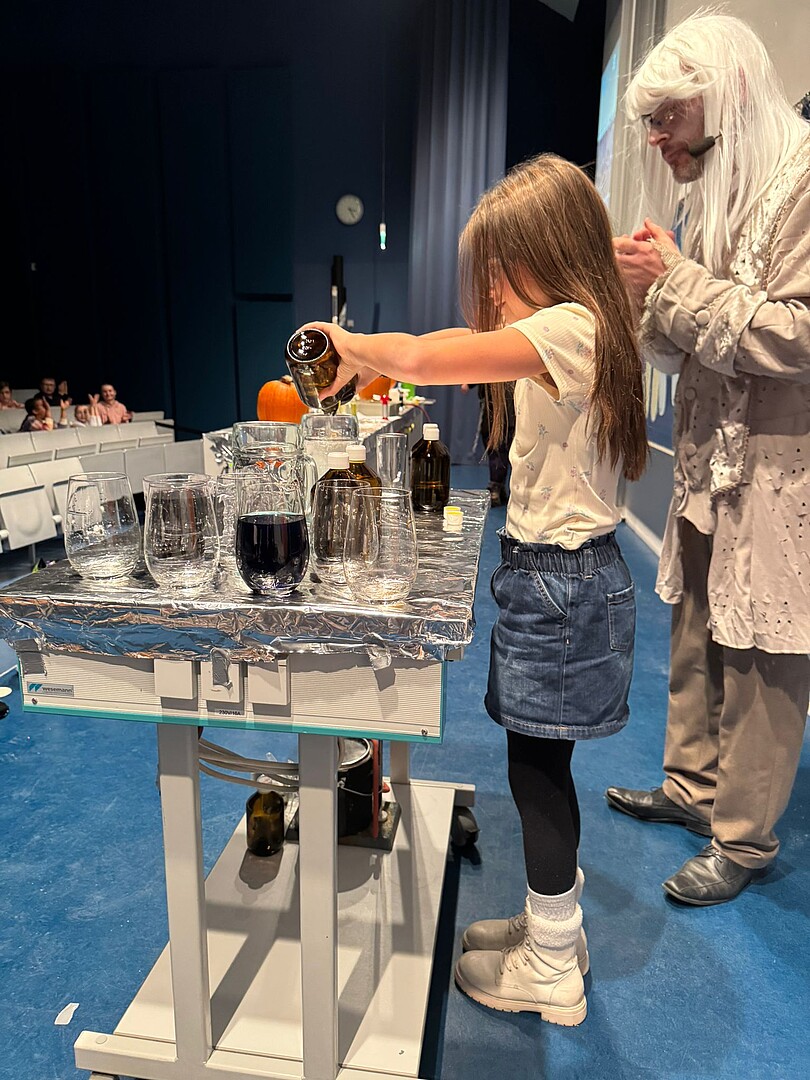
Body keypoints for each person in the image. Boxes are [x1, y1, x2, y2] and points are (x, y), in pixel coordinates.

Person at [295, 153, 647, 1025]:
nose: (490, 288)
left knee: (536, 773)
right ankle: (552, 928)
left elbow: (430, 355)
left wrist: (354, 347)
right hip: (557, 581)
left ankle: (552, 966)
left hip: (563, 585)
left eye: (501, 266)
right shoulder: (581, 324)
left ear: (547, 253)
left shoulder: (573, 325)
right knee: (540, 766)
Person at [607, 12, 810, 906]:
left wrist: (676, 283)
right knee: (695, 617)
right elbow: (683, 345)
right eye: (649, 121)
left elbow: (797, 337)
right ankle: (691, 788)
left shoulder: (803, 183)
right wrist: (647, 294)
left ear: (724, 98)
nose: (657, 139)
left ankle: (744, 837)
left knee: (764, 651)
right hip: (709, 452)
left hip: (780, 464)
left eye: (668, 117)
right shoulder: (713, 193)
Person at [461, 382, 516, 506]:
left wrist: (468, 384)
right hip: (503, 404)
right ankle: (499, 485)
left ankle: (496, 486)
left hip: (499, 406)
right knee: (500, 446)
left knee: (496, 446)